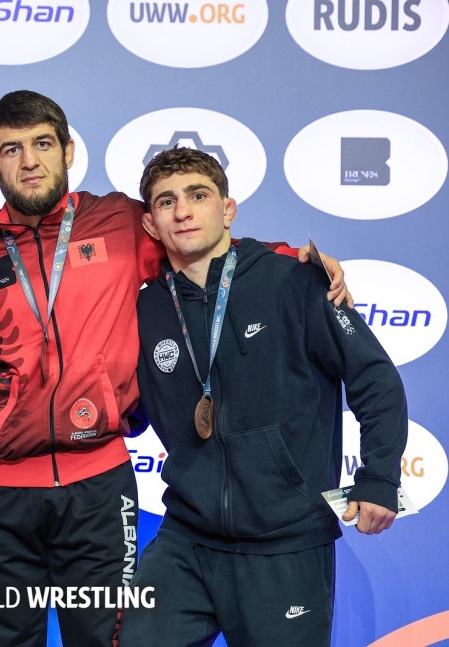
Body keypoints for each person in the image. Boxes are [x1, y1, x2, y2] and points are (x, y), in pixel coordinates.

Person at [0, 90, 350, 647]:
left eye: (42, 144)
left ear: (68, 150)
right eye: (11, 150)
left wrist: (295, 261)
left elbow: (204, 245)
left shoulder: (118, 221)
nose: (30, 161)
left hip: (98, 484)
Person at [124, 147, 407, 645]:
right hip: (186, 538)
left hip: (287, 542)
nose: (183, 211)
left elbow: (374, 377)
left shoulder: (294, 280)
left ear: (227, 209)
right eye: (167, 201)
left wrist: (380, 476)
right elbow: (124, 407)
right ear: (151, 223)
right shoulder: (144, 308)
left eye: (198, 195)